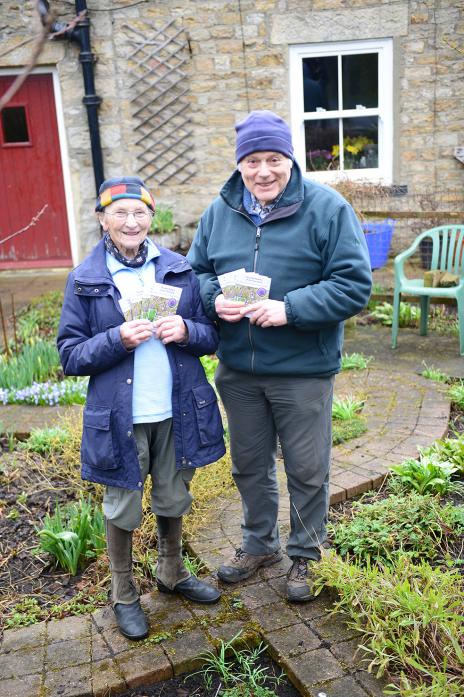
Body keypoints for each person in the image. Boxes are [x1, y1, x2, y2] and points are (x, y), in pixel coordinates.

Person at [187, 111, 372, 602]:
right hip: (240, 369)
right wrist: (212, 300)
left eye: (274, 159)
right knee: (249, 464)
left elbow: (354, 285)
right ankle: (259, 545)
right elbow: (196, 273)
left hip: (302, 370)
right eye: (253, 160)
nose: (264, 171)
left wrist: (290, 309)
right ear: (239, 164)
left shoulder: (328, 209)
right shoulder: (218, 212)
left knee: (307, 468)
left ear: (290, 159)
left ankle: (307, 556)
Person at [57, 176, 225, 641]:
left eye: (140, 213)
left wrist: (187, 332)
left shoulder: (178, 269)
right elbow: (69, 355)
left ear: (152, 217)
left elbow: (211, 337)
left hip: (176, 411)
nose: (131, 222)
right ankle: (124, 594)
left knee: (174, 497)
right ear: (102, 219)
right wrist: (117, 338)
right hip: (120, 418)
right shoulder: (86, 279)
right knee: (123, 506)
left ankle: (171, 572)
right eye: (120, 213)